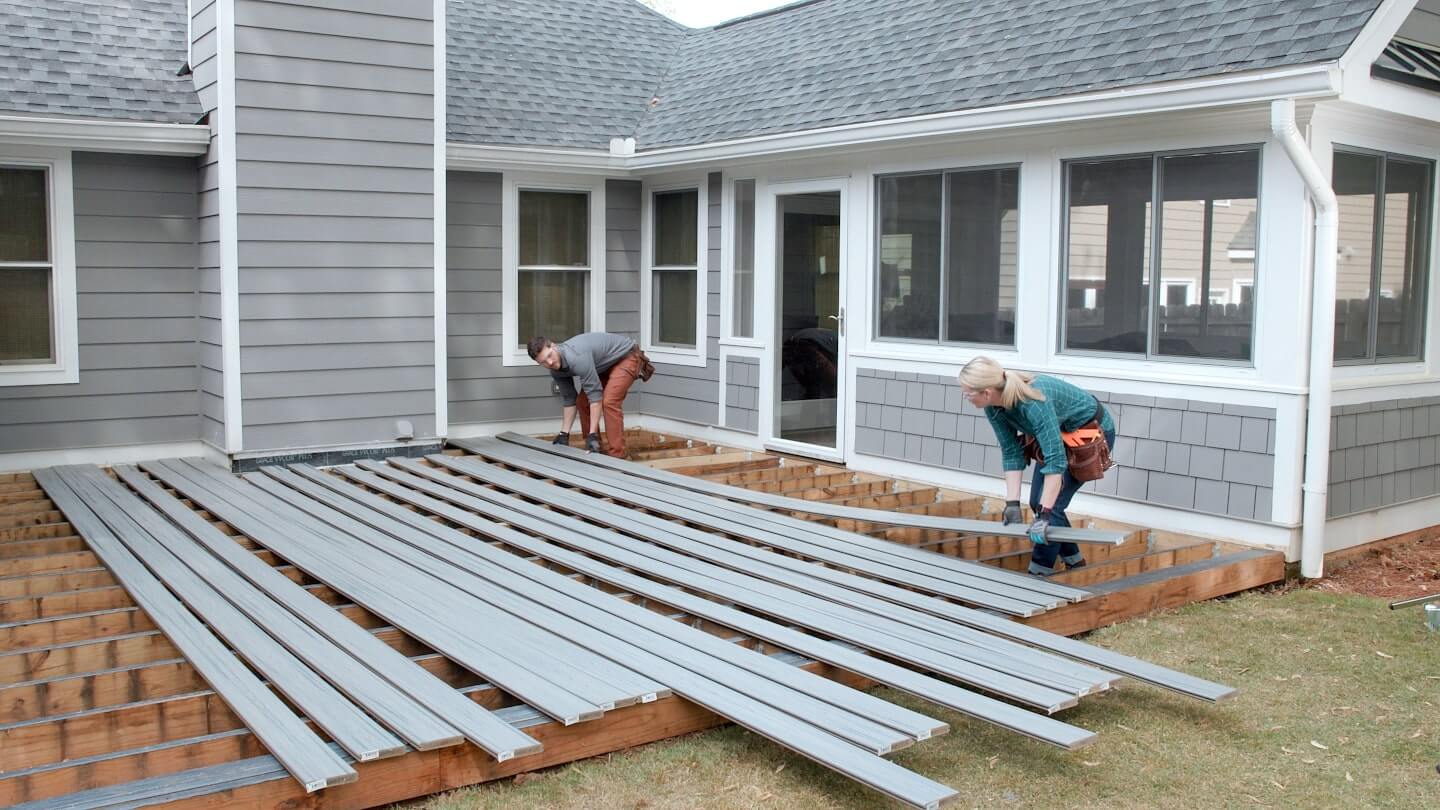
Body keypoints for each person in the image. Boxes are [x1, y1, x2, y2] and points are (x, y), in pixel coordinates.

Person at [958, 357, 1116, 576]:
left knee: (1050, 510)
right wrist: (1012, 503)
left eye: (967, 393)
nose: (965, 397)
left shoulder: (1033, 403)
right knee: (1036, 502)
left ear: (986, 391)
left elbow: (1056, 463)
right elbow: (1011, 451)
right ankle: (1075, 563)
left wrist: (1044, 516)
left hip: (1090, 434)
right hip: (1060, 434)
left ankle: (1038, 575)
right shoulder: (993, 407)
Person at [528, 332, 648, 458]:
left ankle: (618, 455)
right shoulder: (555, 371)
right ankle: (595, 449)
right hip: (603, 365)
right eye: (544, 362)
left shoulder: (576, 357)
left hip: (626, 356)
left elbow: (595, 398)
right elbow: (569, 399)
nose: (550, 362)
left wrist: (592, 434)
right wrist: (564, 433)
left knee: (609, 401)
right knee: (582, 402)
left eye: (550, 355)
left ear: (553, 346)